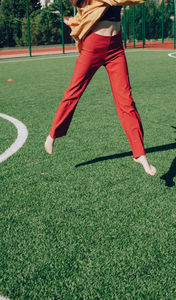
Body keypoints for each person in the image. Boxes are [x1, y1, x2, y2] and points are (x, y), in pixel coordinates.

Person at [45, 0, 156, 176]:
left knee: (125, 99)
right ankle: (53, 134)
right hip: (93, 45)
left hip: (116, 47)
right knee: (74, 91)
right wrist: (71, 20)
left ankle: (139, 153)